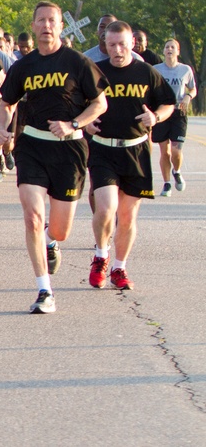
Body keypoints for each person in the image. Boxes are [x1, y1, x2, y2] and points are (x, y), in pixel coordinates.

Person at [0, 1, 108, 314]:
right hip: (31, 145)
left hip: (69, 149)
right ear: (33, 26)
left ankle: (51, 241)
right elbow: (6, 103)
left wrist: (74, 123)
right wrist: (3, 129)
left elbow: (100, 104)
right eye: (41, 21)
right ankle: (44, 290)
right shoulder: (24, 66)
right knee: (32, 216)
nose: (46, 26)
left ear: (60, 26)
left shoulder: (78, 62)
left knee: (60, 229)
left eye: (52, 21)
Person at [86, 21, 175, 290]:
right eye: (111, 44)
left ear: (132, 43)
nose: (116, 50)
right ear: (105, 44)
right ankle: (101, 256)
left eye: (122, 44)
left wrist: (156, 116)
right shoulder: (96, 72)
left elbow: (167, 102)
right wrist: (85, 122)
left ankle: (119, 268)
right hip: (103, 148)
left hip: (135, 149)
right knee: (106, 208)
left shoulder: (146, 72)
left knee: (127, 216)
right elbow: (78, 102)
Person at [153, 39, 197, 196]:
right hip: (162, 112)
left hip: (179, 112)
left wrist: (187, 97)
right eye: (167, 47)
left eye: (173, 47)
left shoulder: (185, 70)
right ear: (163, 51)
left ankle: (177, 171)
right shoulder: (156, 70)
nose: (169, 49)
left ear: (178, 51)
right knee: (164, 151)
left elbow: (193, 89)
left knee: (176, 150)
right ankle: (166, 184)